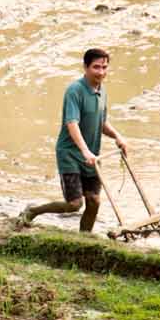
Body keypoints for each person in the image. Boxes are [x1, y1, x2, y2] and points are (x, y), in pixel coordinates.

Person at [17, 47, 129, 232]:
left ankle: (84, 237)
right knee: (74, 204)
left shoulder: (102, 91)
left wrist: (118, 137)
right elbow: (72, 122)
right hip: (70, 153)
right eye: (96, 67)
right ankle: (33, 210)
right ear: (85, 67)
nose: (101, 72)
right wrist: (85, 150)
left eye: (104, 67)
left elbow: (101, 122)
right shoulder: (74, 91)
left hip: (91, 156)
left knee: (94, 201)